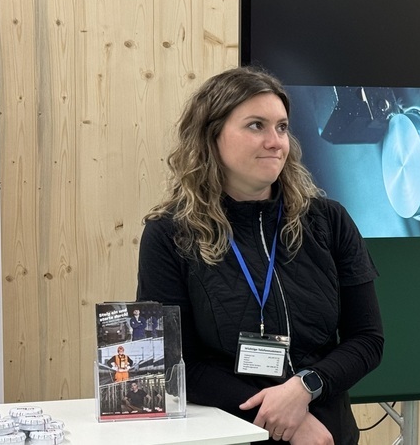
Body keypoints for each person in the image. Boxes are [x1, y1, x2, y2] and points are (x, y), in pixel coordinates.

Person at [136, 67, 384, 444]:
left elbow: (367, 339)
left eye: (282, 127)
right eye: (256, 126)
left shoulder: (328, 221)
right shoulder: (170, 234)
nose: (275, 142)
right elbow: (175, 363)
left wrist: (305, 389)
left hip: (325, 432)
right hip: (230, 434)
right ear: (211, 136)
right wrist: (282, 418)